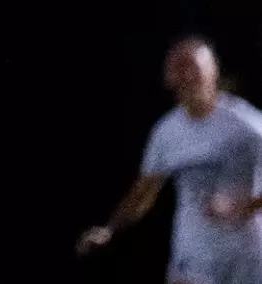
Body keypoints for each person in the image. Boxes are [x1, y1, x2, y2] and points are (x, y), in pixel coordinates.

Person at [78, 37, 262, 284]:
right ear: (168, 78)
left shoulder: (248, 125)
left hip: (245, 260)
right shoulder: (166, 132)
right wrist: (110, 228)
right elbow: (144, 192)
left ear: (213, 72)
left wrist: (245, 205)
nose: (186, 76)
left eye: (193, 68)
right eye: (179, 68)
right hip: (191, 258)